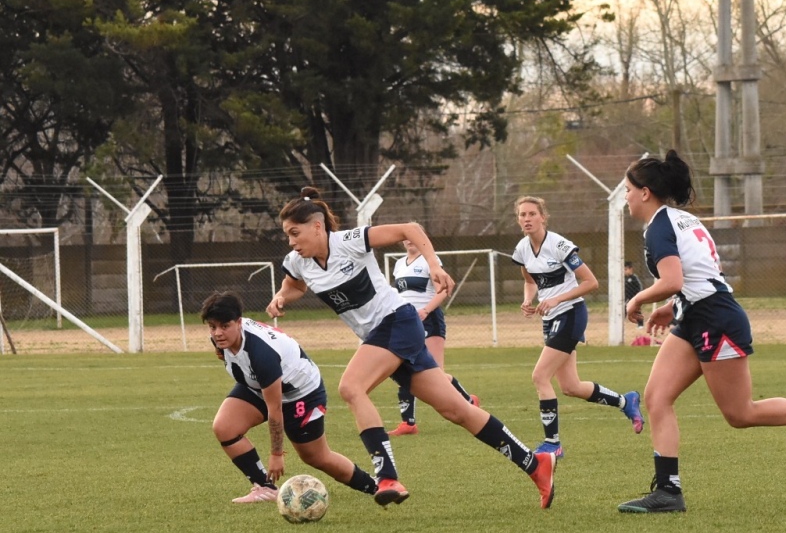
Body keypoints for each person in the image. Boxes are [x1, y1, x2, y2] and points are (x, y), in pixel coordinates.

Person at [265, 187, 556, 509]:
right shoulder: (297, 261)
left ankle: (387, 476)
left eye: (295, 233)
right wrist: (280, 298)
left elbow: (410, 229)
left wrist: (434, 265)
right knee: (456, 410)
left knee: (351, 387)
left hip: (397, 322)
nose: (290, 241)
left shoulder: (347, 241)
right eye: (287, 235)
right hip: (383, 336)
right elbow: (294, 287)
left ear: (317, 227)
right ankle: (535, 464)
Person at [617, 151, 786, 514]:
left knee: (740, 414)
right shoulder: (681, 220)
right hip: (697, 315)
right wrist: (670, 307)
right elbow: (699, 278)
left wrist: (636, 299)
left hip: (715, 320)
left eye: (627, 190)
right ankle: (668, 492)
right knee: (657, 398)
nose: (624, 197)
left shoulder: (659, 227)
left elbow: (674, 279)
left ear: (645, 192)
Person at [201, 291, 379, 504]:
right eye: (212, 327)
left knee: (316, 457)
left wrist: (277, 455)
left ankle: (376, 486)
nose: (218, 333)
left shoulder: (261, 354)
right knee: (225, 427)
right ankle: (265, 487)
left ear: (239, 322)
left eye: (224, 326)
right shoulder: (223, 340)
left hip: (301, 394)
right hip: (261, 385)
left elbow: (275, 409)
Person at [512, 195, 645, 459]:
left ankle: (553, 443)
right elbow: (530, 281)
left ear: (543, 217)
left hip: (571, 313)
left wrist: (556, 298)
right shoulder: (522, 249)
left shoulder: (559, 245)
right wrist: (528, 300)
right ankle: (625, 401)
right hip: (551, 318)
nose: (526, 219)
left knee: (540, 376)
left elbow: (591, 282)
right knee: (571, 386)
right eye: (522, 215)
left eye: (531, 214)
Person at [387, 238, 480, 436]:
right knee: (402, 367)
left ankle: (469, 402)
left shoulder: (430, 260)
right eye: (406, 238)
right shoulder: (398, 264)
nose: (410, 241)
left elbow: (444, 289)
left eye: (413, 237)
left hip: (429, 320)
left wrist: (425, 311)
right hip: (408, 322)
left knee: (436, 374)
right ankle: (408, 423)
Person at [623, 261, 644, 329]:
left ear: (630, 269)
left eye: (626, 269)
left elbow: (639, 287)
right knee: (624, 309)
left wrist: (637, 297)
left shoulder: (634, 278)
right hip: (627, 297)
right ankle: (621, 322)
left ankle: (640, 324)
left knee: (636, 310)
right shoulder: (624, 279)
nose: (624, 271)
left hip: (634, 297)